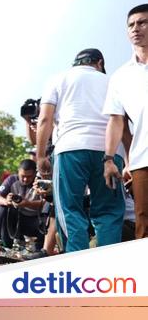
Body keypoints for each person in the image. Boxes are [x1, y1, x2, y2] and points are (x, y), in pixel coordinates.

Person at [36, 48, 124, 252]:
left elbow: (45, 119)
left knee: (70, 210)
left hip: (70, 149)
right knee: (109, 212)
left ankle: (78, 266)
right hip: (110, 153)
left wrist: (40, 155)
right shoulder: (113, 81)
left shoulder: (59, 79)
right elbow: (123, 123)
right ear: (99, 63)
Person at [104, 3, 148, 240]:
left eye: (142, 22)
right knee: (143, 221)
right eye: (131, 24)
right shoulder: (121, 77)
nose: (135, 28)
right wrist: (110, 159)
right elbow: (116, 120)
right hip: (143, 160)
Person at [0, 159, 45, 250]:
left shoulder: (40, 182)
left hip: (35, 220)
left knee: (48, 220)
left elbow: (46, 203)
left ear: (35, 173)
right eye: (22, 176)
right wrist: (6, 201)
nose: (25, 179)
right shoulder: (12, 179)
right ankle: (6, 243)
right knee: (1, 208)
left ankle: (40, 248)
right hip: (16, 218)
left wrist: (27, 204)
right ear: (18, 172)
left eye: (29, 176)